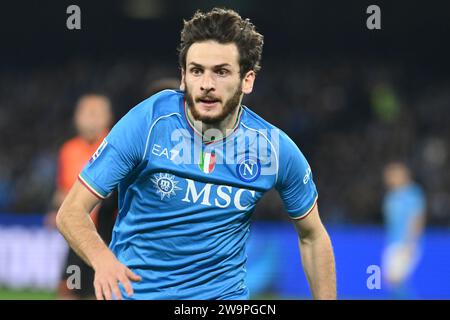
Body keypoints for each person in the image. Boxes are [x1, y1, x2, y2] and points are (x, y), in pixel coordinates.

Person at [56, 8, 336, 300]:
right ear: (183, 77)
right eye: (196, 70)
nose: (206, 84)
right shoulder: (149, 122)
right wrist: (103, 261)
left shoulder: (272, 149)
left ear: (247, 80)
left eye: (222, 71)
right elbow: (71, 212)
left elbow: (313, 236)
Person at [46, 93, 115, 299]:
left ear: (108, 117)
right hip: (77, 238)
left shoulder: (115, 146)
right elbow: (62, 190)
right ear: (76, 116)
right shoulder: (68, 150)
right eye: (86, 112)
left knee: (102, 291)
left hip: (107, 239)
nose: (90, 118)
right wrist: (55, 211)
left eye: (96, 113)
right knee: (68, 290)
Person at [382, 161, 426, 298]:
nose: (388, 178)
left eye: (392, 174)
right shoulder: (390, 197)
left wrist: (411, 243)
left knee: (395, 280)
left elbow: (417, 219)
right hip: (393, 242)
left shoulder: (413, 194)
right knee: (390, 281)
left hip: (405, 243)